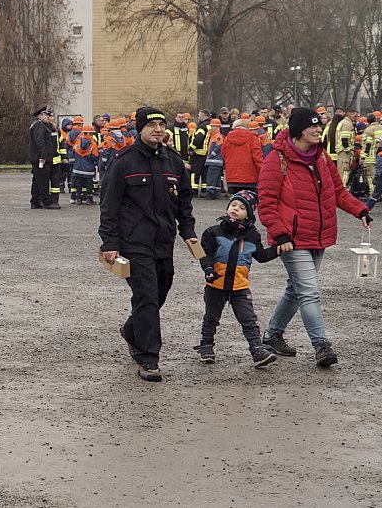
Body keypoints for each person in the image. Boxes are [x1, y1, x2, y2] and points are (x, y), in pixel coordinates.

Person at [258, 107, 372, 367]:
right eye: (314, 127)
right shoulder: (276, 160)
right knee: (309, 291)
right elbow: (266, 204)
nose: (319, 130)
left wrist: (360, 210)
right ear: (299, 130)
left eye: (320, 126)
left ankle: (273, 334)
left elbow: (339, 193)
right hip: (291, 239)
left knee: (296, 290)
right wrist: (280, 234)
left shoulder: (322, 158)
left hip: (318, 237)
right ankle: (322, 345)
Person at [99, 106, 198, 382]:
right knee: (146, 296)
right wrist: (110, 243)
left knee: (160, 292)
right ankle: (148, 358)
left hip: (163, 242)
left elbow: (184, 201)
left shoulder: (174, 162)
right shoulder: (124, 162)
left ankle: (131, 331)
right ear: (139, 129)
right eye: (152, 126)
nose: (158, 130)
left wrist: (188, 231)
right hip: (134, 243)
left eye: (161, 125)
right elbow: (109, 206)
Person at [193, 190, 279, 367]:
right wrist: (208, 269)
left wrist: (278, 249)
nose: (235, 209)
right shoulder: (213, 232)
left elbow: (261, 256)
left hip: (240, 287)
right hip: (215, 284)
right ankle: (206, 346)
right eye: (233, 205)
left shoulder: (252, 235)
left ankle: (257, 349)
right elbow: (205, 254)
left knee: (249, 319)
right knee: (211, 317)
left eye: (241, 207)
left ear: (249, 213)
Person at [28, 106, 60, 209]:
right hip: (40, 158)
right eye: (46, 115)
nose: (48, 117)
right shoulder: (39, 126)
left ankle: (36, 201)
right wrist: (43, 156)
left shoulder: (40, 125)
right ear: (40, 115)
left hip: (39, 157)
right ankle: (47, 201)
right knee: (42, 180)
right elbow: (40, 142)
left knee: (38, 180)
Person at [222, 118, 262, 194]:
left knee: (235, 202)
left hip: (232, 176)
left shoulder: (227, 138)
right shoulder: (252, 138)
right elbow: (257, 157)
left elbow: (223, 154)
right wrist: (262, 173)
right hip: (250, 177)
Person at [72, 123, 98, 205]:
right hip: (88, 169)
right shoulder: (93, 144)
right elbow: (95, 156)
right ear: (91, 133)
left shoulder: (78, 142)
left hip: (78, 168)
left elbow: (74, 152)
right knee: (89, 184)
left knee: (79, 183)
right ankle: (88, 199)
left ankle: (78, 198)